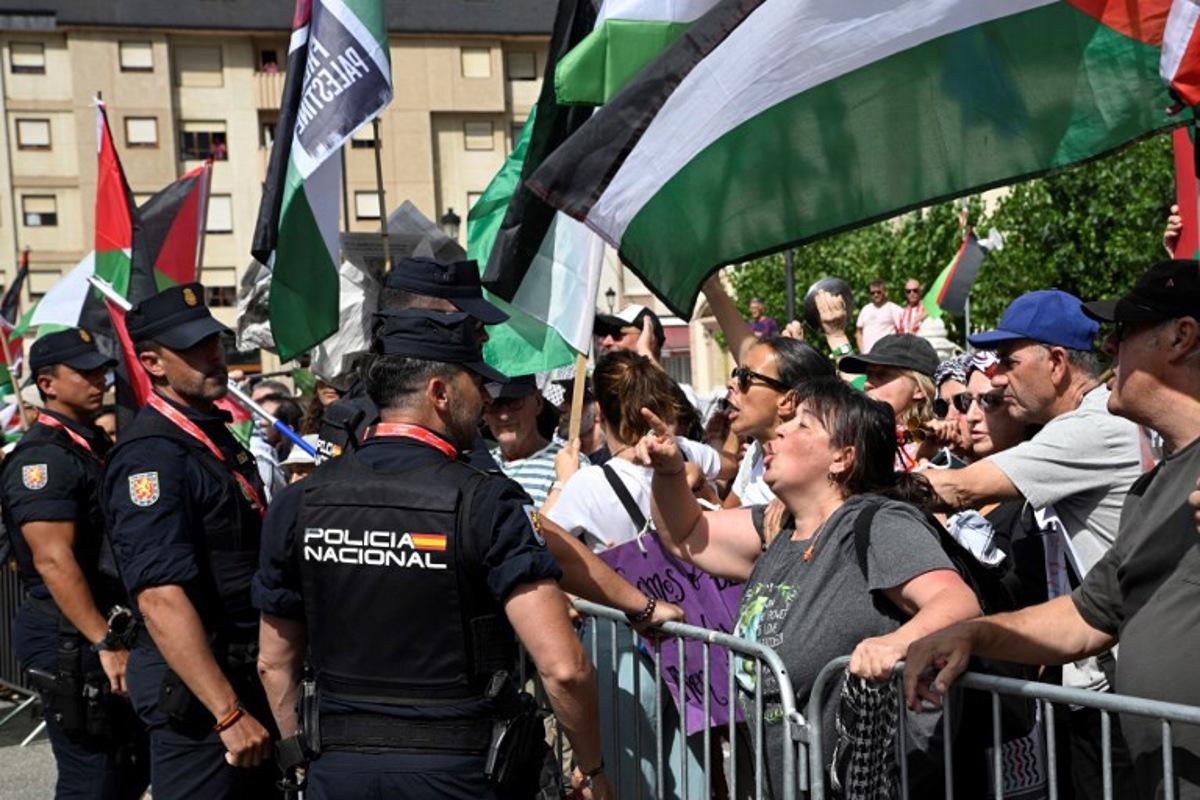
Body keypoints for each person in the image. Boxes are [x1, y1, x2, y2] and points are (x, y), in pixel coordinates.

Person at [254, 310, 612, 800]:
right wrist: (592, 770)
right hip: (459, 773)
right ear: (440, 393)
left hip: (338, 771)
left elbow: (274, 662)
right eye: (476, 383)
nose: (486, 399)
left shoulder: (298, 503)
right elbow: (564, 668)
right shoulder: (488, 503)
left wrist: (300, 758)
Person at [905, 259, 1200, 800]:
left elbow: (959, 489)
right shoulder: (1152, 488)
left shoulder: (1096, 426)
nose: (1109, 348)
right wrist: (972, 634)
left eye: (1124, 331)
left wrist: (856, 479)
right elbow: (1089, 615)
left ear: (1182, 337)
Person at [639, 376, 981, 798]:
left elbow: (957, 603)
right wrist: (669, 470)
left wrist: (896, 644)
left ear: (842, 457)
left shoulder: (879, 523)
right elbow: (687, 535)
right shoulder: (781, 528)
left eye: (802, 424)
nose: (780, 430)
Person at [102, 284, 278, 799]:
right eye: (193, 348)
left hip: (243, 671)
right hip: (201, 694)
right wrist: (227, 712)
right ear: (152, 364)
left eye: (213, 341)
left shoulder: (211, 435)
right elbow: (160, 598)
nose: (213, 355)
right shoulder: (150, 457)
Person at [545, 349, 722, 798]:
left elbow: (542, 542)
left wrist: (563, 479)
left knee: (631, 775)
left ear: (600, 413)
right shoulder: (685, 460)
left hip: (621, 641)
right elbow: (722, 469)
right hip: (688, 636)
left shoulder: (587, 485)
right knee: (693, 771)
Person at [1, 328, 149, 799]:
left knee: (127, 769)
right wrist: (104, 640)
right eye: (84, 372)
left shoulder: (91, 445)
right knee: (94, 777)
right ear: (47, 384)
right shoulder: (44, 458)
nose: (99, 380)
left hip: (100, 624)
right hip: (70, 633)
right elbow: (53, 559)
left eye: (101, 370)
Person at [317, 256, 509, 464]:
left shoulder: (458, 415)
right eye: (473, 324)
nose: (484, 336)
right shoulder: (354, 419)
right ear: (420, 320)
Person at [724, 337, 834, 507]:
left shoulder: (815, 478)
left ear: (787, 401)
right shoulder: (757, 451)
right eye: (736, 374)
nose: (731, 384)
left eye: (745, 377)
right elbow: (725, 513)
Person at [483, 374, 586, 509]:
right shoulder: (477, 464)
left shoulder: (570, 464)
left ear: (538, 402)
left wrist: (561, 486)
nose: (504, 415)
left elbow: (548, 522)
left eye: (514, 402)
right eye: (493, 404)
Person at [838, 333, 940, 471]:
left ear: (919, 390)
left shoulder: (937, 446)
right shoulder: (851, 431)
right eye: (868, 374)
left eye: (882, 374)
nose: (866, 384)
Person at [855, 280, 901, 353]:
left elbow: (902, 331)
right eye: (872, 293)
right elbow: (858, 332)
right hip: (868, 354)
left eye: (878, 292)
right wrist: (862, 351)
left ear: (885, 292)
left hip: (886, 354)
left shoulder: (894, 309)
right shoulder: (865, 309)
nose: (875, 295)